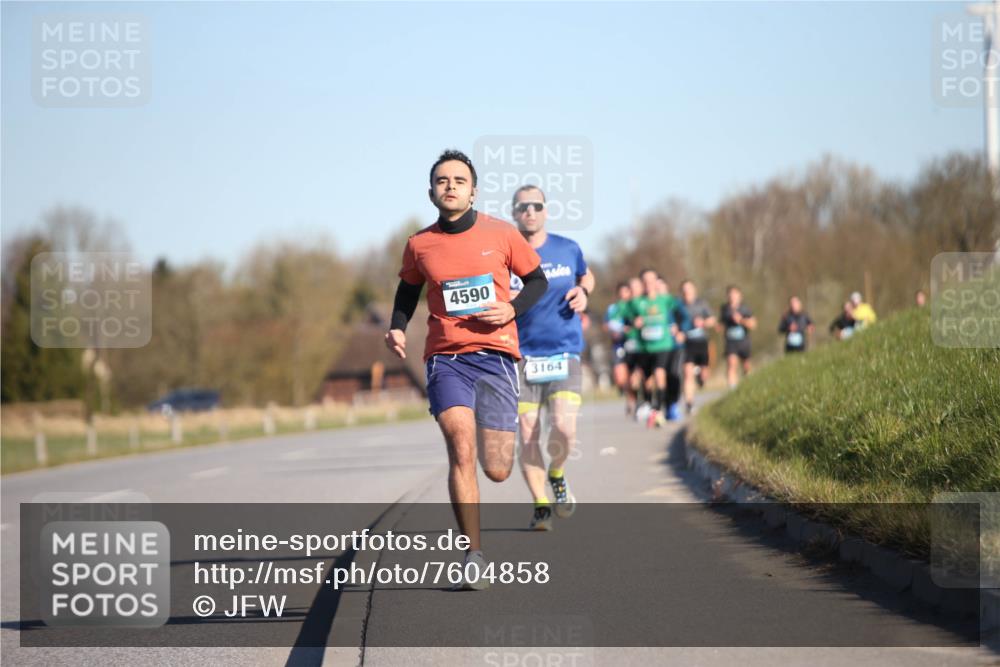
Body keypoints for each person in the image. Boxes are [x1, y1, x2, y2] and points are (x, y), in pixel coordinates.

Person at [385, 150, 547, 589]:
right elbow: (407, 289)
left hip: (496, 357)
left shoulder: (502, 233)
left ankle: (499, 438)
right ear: (432, 191)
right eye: (442, 181)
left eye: (459, 180)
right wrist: (398, 328)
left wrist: (510, 310)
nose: (450, 186)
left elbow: (538, 282)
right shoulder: (420, 244)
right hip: (446, 358)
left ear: (473, 190)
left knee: (496, 468)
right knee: (460, 448)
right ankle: (472, 553)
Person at [508, 185, 595, 531]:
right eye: (522, 206)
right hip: (521, 357)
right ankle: (541, 504)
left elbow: (586, 274)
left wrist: (584, 292)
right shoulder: (503, 254)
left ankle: (557, 474)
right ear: (514, 213)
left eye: (536, 205)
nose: (530, 211)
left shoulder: (567, 248)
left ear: (546, 211)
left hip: (564, 352)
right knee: (527, 433)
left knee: (563, 427)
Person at [629, 269, 683, 427]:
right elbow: (626, 319)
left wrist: (677, 327)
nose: (649, 284)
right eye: (645, 281)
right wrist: (634, 323)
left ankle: (658, 410)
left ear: (656, 282)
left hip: (663, 345)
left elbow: (681, 313)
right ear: (642, 284)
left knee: (660, 373)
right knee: (647, 382)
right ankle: (650, 404)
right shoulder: (636, 302)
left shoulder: (665, 299)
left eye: (651, 280)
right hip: (645, 348)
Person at [678, 279, 715, 415]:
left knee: (704, 374)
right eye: (684, 290)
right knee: (688, 373)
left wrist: (703, 322)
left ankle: (701, 377)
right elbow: (674, 323)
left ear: (694, 291)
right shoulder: (679, 306)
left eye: (689, 290)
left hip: (702, 342)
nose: (687, 292)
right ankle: (689, 403)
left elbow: (712, 320)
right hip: (687, 344)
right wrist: (678, 333)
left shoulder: (701, 304)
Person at [717, 285, 756, 389]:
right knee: (731, 364)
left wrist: (741, 320)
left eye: (734, 294)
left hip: (744, 341)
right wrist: (719, 327)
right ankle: (732, 389)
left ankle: (748, 386)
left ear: (740, 296)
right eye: (730, 295)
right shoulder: (724, 309)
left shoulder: (745, 308)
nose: (732, 297)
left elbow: (753, 324)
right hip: (730, 342)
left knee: (746, 366)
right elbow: (720, 324)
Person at [604, 282, 632, 402]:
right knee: (620, 376)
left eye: (625, 292)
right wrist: (613, 331)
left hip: (633, 343)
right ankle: (624, 391)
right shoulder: (612, 308)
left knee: (632, 375)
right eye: (621, 293)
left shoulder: (633, 306)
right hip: (618, 344)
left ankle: (633, 400)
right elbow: (606, 325)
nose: (623, 296)